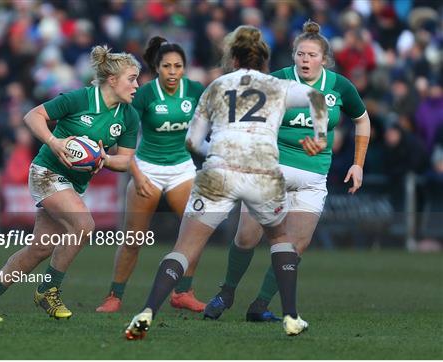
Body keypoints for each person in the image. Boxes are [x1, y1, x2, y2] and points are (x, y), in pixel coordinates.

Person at [125, 25, 329, 339]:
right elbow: (317, 97)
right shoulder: (277, 85)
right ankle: (291, 316)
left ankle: (148, 309)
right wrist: (318, 136)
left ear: (232, 58)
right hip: (263, 173)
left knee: (185, 248)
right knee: (279, 239)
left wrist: (216, 150)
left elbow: (192, 141)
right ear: (264, 59)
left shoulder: (217, 86)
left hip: (218, 172)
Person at [203, 21, 371, 323]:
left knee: (295, 246)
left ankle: (260, 305)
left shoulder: (339, 86)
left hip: (313, 177)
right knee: (246, 237)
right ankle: (226, 292)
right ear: (293, 56)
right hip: (270, 170)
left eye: (312, 55)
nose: (305, 60)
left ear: (324, 59)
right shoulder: (277, 81)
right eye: (300, 54)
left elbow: (362, 120)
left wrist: (358, 163)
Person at [0, 45, 141, 322]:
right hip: (46, 172)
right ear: (112, 80)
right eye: (132, 78)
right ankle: (48, 291)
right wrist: (55, 142)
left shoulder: (128, 116)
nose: (137, 85)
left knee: (40, 248)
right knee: (84, 225)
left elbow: (125, 161)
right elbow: (32, 116)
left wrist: (104, 159)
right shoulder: (81, 99)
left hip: (71, 184)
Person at [96, 37, 207, 313]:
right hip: (146, 168)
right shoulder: (144, 94)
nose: (172, 71)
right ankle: (114, 296)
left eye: (178, 66)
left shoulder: (195, 90)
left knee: (195, 232)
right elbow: (126, 136)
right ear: (157, 67)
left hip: (182, 169)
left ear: (185, 68)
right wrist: (137, 174)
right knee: (133, 239)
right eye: (167, 66)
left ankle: (183, 292)